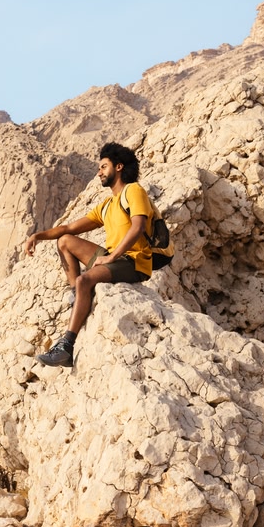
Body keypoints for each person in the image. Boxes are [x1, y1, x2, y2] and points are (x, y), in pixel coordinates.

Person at [23, 143, 155, 367]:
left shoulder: (134, 191)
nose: (99, 172)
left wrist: (112, 258)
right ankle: (79, 295)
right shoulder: (107, 205)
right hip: (115, 258)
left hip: (134, 262)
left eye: (104, 167)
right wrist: (38, 235)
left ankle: (66, 347)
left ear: (119, 167)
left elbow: (138, 226)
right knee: (65, 241)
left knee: (86, 279)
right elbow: (69, 229)